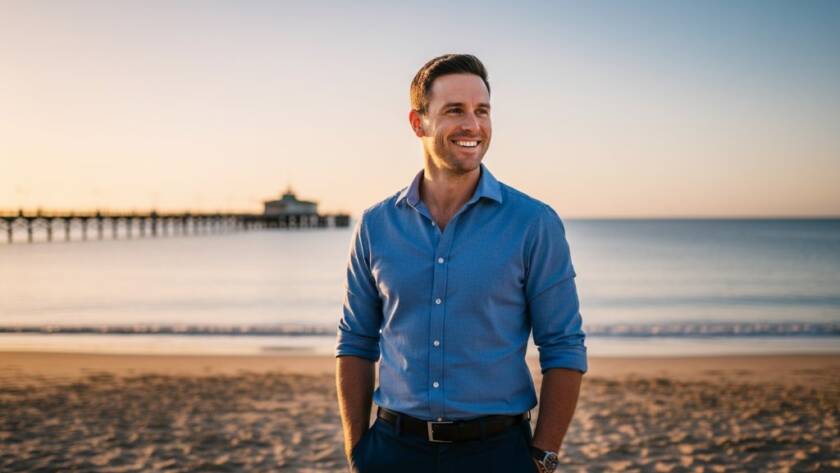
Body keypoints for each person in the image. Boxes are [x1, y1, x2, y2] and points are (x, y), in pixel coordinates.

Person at [335, 54, 587, 473]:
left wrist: (542, 457)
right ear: (419, 123)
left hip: (497, 453)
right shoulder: (377, 225)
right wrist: (358, 451)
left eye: (482, 111)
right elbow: (355, 342)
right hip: (393, 451)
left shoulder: (533, 223)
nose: (473, 125)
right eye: (455, 110)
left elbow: (563, 346)